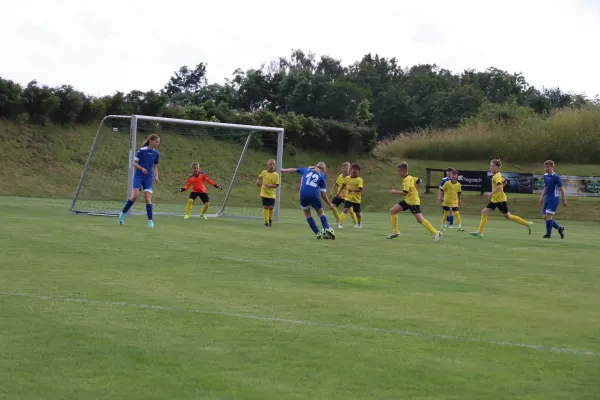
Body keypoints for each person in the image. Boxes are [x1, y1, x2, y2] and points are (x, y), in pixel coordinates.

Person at [470, 159, 533, 238]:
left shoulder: (496, 176)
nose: (491, 167)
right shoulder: (498, 175)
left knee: (508, 216)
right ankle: (480, 232)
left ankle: (527, 224)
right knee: (484, 212)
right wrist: (495, 193)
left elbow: (499, 185)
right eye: (490, 166)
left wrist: (491, 193)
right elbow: (505, 182)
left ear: (498, 168)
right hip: (495, 199)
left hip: (500, 200)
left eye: (493, 166)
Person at [387, 162, 442, 243]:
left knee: (420, 219)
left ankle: (436, 233)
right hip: (408, 200)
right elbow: (420, 180)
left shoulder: (407, 180)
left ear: (404, 170)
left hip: (413, 202)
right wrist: (416, 189)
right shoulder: (411, 177)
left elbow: (405, 192)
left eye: (399, 171)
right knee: (393, 211)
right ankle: (395, 231)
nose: (398, 173)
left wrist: (395, 192)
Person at [280, 162, 336, 239]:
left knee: (308, 215)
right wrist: (329, 204)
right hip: (314, 195)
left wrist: (283, 170)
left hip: (303, 195)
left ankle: (317, 233)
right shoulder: (322, 175)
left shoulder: (306, 169)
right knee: (321, 213)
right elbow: (323, 194)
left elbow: (294, 169)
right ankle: (326, 227)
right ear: (323, 170)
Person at [118, 134, 160, 228]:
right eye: (156, 142)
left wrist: (156, 176)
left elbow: (155, 167)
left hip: (148, 177)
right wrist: (141, 168)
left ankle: (150, 221)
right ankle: (122, 214)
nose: (158, 144)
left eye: (158, 142)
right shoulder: (141, 150)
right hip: (139, 175)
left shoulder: (156, 153)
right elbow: (134, 163)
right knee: (135, 196)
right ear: (151, 141)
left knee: (147, 198)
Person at [539, 160, 567, 239]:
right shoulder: (545, 176)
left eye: (547, 167)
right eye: (545, 167)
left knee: (548, 216)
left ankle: (548, 234)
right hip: (547, 198)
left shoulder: (556, 177)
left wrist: (564, 200)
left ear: (552, 167)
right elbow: (545, 187)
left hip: (554, 199)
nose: (546, 168)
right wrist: (541, 197)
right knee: (545, 217)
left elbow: (562, 189)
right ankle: (559, 228)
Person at [336, 163, 363, 228]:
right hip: (348, 198)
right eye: (353, 169)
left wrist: (352, 190)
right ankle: (340, 223)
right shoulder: (347, 178)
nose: (355, 171)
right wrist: (338, 193)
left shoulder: (359, 180)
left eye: (356, 170)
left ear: (358, 172)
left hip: (356, 199)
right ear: (351, 170)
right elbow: (343, 185)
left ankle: (359, 222)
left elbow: (360, 189)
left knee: (358, 214)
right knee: (345, 210)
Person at [256, 159, 280, 227]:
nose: (272, 165)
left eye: (273, 164)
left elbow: (277, 185)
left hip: (272, 194)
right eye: (270, 164)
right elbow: (259, 178)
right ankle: (266, 222)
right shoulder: (264, 172)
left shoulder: (276, 175)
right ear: (267, 165)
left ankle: (269, 219)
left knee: (271, 207)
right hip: (264, 193)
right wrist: (257, 182)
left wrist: (270, 185)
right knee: (266, 207)